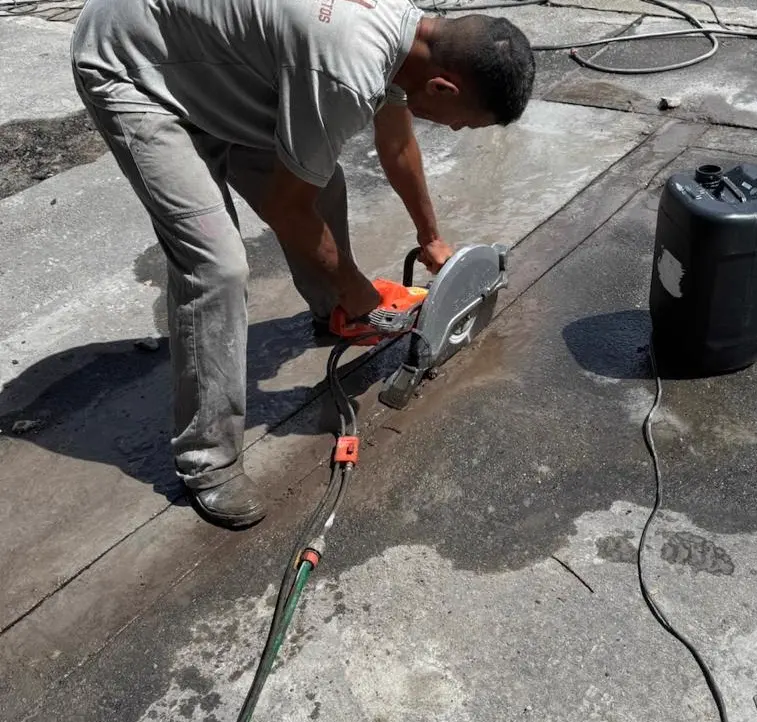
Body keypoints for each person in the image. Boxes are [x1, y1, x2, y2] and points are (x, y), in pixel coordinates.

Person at [70, 0, 535, 529]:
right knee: (216, 267)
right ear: (444, 88)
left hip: (211, 59)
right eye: (464, 125)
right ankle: (208, 461)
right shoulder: (347, 68)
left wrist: (431, 239)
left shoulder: (411, 37)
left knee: (323, 184)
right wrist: (358, 285)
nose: (454, 132)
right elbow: (288, 211)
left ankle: (337, 311)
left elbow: (397, 139)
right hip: (134, 63)